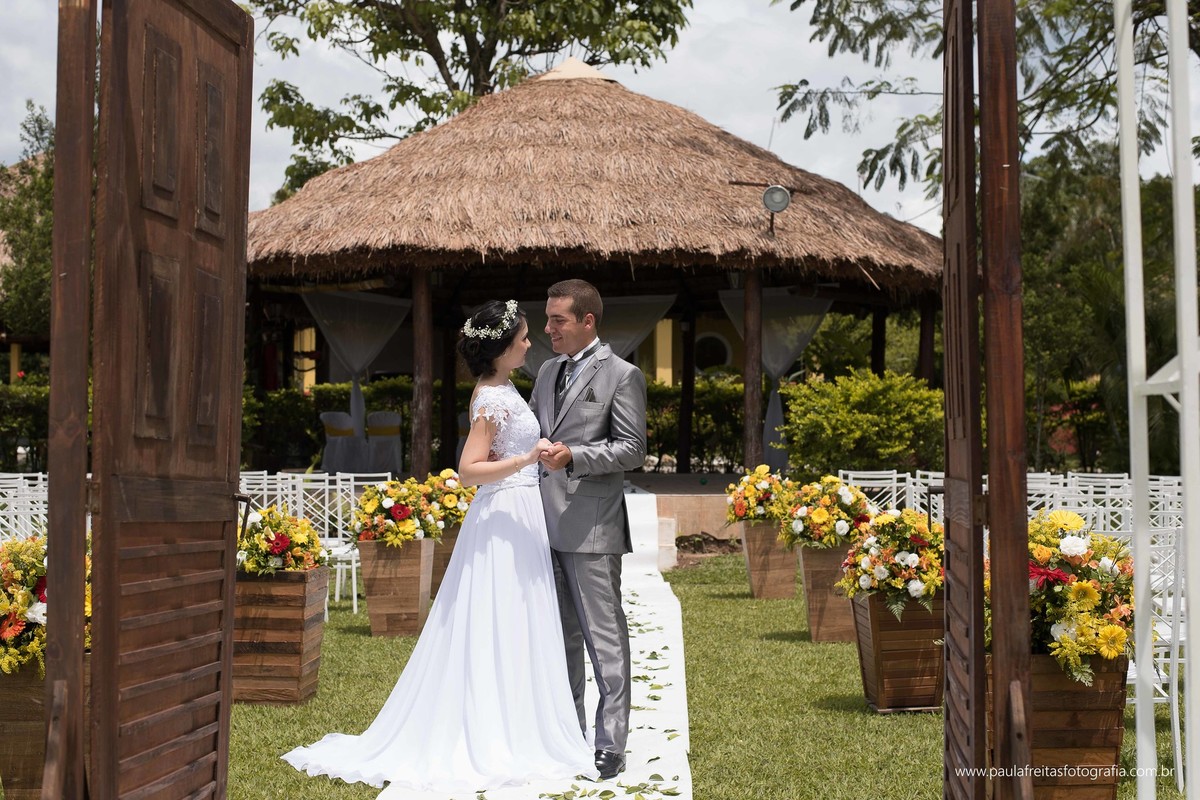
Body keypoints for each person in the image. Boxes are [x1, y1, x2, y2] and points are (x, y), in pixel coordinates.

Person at [282, 299, 598, 796]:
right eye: (521, 335)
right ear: (500, 347)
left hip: (520, 513)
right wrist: (524, 459)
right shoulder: (491, 398)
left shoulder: (503, 388)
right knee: (498, 618)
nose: (529, 341)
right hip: (503, 514)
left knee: (517, 620)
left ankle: (519, 725)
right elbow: (470, 468)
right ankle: (497, 733)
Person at [529, 279, 648, 781]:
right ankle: (568, 732)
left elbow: (633, 449)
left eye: (558, 320)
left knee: (605, 639)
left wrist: (576, 454)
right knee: (559, 640)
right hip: (540, 525)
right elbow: (534, 433)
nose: (548, 329)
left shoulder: (623, 375)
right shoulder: (545, 371)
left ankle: (610, 743)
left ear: (587, 322)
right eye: (548, 318)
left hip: (593, 528)